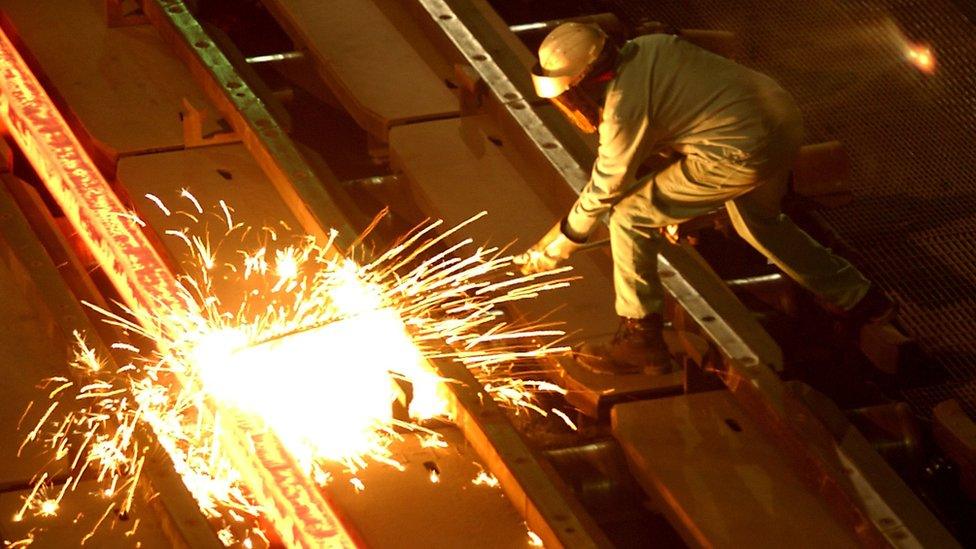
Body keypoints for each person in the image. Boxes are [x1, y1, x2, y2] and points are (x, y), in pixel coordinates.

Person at [515, 23, 894, 375]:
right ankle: (858, 297)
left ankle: (641, 339)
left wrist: (559, 245)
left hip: (742, 149)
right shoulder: (651, 46)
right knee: (760, 225)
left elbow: (607, 186)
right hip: (778, 117)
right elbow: (686, 113)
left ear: (586, 80)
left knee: (630, 217)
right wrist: (679, 207)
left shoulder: (624, 107)